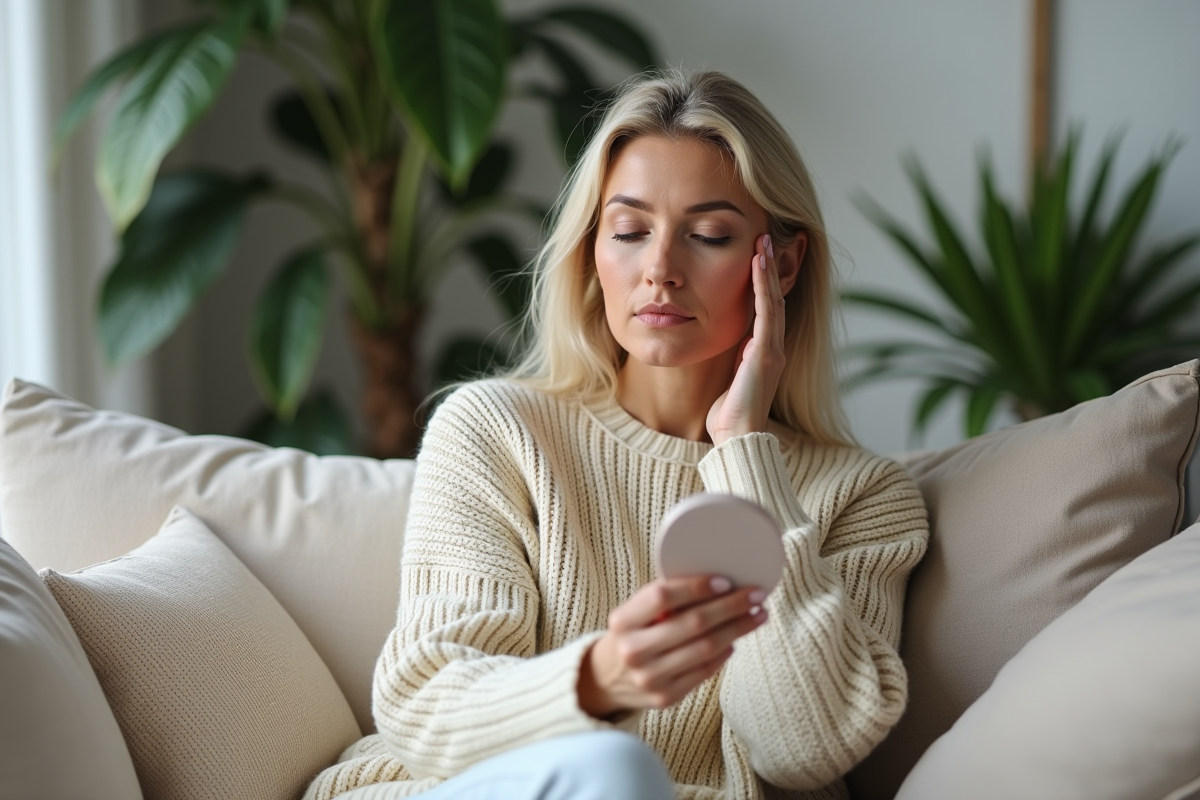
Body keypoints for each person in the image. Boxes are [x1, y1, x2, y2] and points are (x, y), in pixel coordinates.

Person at [305, 69, 929, 800]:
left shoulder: (864, 496)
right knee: (614, 774)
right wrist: (602, 677)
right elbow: (425, 707)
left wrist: (743, 454)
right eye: (629, 231)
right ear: (592, 251)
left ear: (782, 264)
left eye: (708, 235)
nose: (659, 270)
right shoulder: (497, 432)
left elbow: (808, 749)